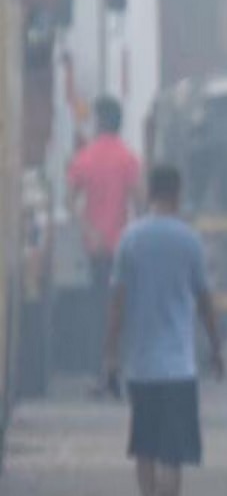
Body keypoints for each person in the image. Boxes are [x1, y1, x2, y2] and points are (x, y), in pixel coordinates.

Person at [103, 165, 224, 496]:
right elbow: (204, 300)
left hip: (141, 366)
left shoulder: (130, 239)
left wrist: (110, 356)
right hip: (177, 367)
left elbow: (117, 303)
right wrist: (217, 349)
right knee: (172, 456)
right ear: (178, 192)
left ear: (150, 192)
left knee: (145, 449)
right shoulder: (189, 241)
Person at [69, 95, 142, 393]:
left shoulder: (84, 158)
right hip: (123, 247)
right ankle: (120, 372)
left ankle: (101, 375)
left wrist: (89, 229)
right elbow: (140, 202)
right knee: (123, 311)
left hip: (96, 248)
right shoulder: (129, 158)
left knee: (98, 311)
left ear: (99, 121)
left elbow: (70, 201)